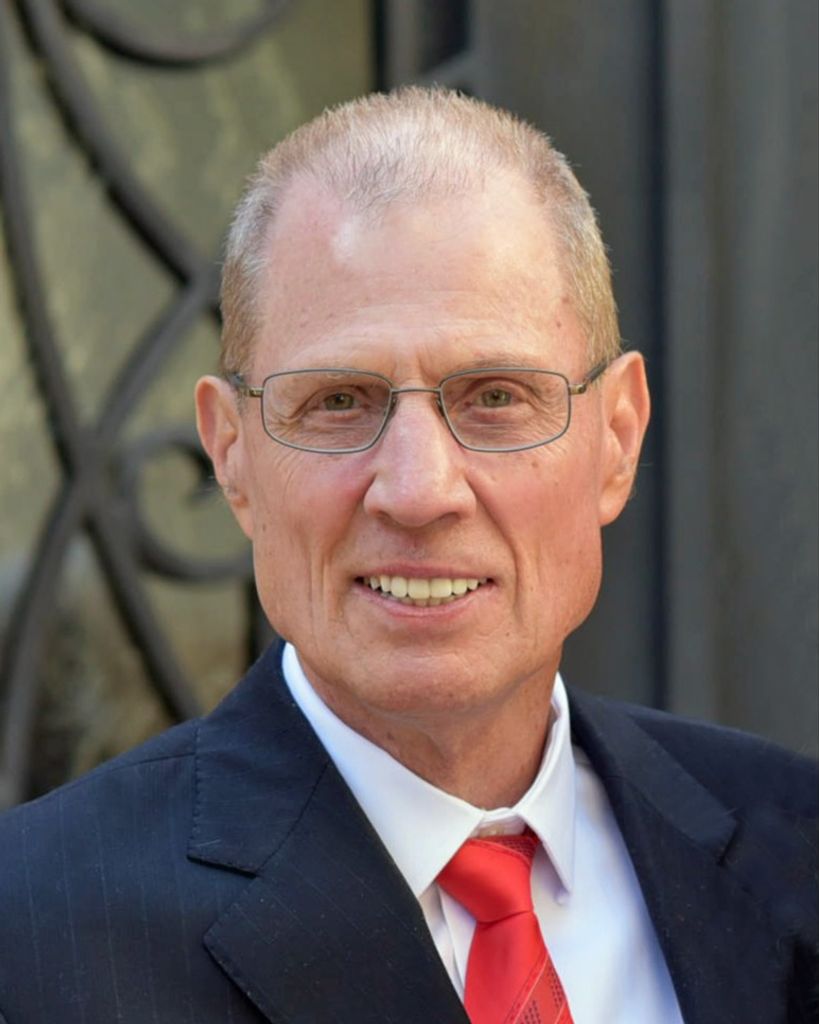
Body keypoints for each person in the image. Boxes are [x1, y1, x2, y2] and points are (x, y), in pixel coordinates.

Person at [0, 88, 815, 1024]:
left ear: (617, 438)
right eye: (338, 402)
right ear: (231, 454)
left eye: (495, 397)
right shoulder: (30, 937)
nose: (419, 490)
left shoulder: (793, 849)